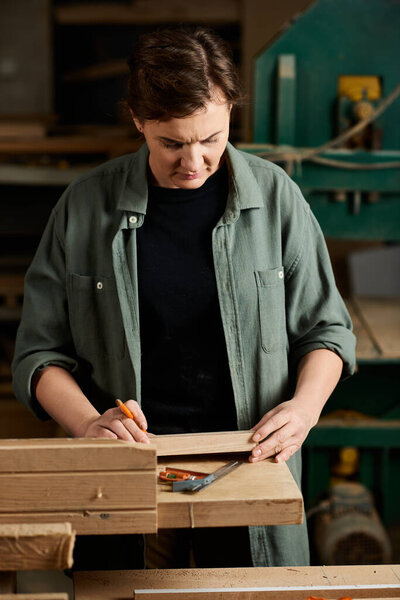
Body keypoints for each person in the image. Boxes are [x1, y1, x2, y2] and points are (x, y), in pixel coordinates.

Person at [12, 27, 356, 569]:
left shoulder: (276, 197)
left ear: (229, 114)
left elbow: (327, 332)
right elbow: (38, 354)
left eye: (212, 138)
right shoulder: (84, 207)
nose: (194, 161)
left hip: (249, 464)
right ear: (138, 122)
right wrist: (86, 423)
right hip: (129, 471)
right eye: (172, 143)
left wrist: (305, 408)